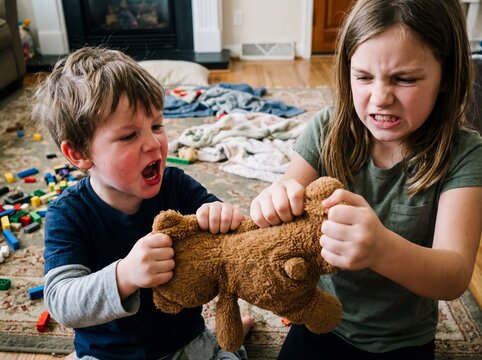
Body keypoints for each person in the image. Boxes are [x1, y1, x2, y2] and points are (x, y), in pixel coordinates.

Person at [250, 0, 482, 359]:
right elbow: (286, 189)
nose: (380, 97)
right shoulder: (327, 129)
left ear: (447, 78)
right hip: (322, 318)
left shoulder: (465, 153)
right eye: (363, 77)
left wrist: (381, 249)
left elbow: (452, 275)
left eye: (404, 79)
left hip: (401, 340)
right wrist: (273, 201)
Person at [31, 47, 253, 360]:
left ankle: (229, 338)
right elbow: (61, 301)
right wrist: (125, 275)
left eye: (157, 126)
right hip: (108, 354)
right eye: (129, 136)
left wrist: (220, 214)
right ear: (79, 153)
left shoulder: (175, 185)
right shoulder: (68, 214)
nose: (153, 143)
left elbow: (228, 229)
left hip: (186, 345)